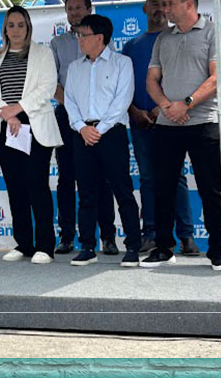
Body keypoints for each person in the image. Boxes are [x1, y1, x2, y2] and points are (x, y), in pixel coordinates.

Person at [143, 0, 221, 271]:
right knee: (163, 188)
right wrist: (168, 106)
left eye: (169, 4)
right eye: (163, 4)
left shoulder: (214, 33)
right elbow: (152, 79)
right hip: (167, 123)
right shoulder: (163, 38)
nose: (164, 9)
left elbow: (218, 78)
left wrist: (187, 103)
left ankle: (219, 251)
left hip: (204, 122)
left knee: (211, 189)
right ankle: (163, 248)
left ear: (188, 4)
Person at [0, 6, 62, 264]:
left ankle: (45, 245)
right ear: (4, 29)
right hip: (7, 124)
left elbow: (47, 88)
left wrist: (18, 108)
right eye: (11, 25)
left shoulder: (43, 53)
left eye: (21, 25)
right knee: (15, 188)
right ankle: (23, 243)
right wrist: (7, 113)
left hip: (34, 124)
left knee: (37, 186)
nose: (16, 30)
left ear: (28, 28)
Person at [122, 0, 198, 257]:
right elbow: (124, 85)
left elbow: (183, 78)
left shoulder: (177, 40)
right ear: (144, 8)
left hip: (171, 118)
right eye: (154, 4)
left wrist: (162, 107)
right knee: (147, 178)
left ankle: (186, 236)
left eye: (165, 4)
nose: (160, 9)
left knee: (176, 177)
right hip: (139, 120)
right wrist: (134, 110)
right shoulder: (131, 46)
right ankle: (150, 234)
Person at [64, 14, 142, 267]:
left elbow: (123, 99)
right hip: (82, 135)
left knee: (122, 190)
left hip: (111, 133)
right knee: (86, 193)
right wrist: (81, 127)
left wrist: (100, 129)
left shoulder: (122, 63)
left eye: (83, 35)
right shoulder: (75, 67)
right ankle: (87, 246)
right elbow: (69, 101)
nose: (79, 40)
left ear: (100, 38)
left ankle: (133, 246)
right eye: (78, 35)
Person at [50, 0, 118, 255]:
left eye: (79, 8)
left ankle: (108, 237)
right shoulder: (57, 43)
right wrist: (73, 110)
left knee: (102, 178)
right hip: (66, 116)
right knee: (66, 177)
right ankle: (67, 236)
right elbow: (53, 83)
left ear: (90, 9)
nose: (74, 13)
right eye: (70, 9)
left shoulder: (103, 40)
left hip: (97, 119)